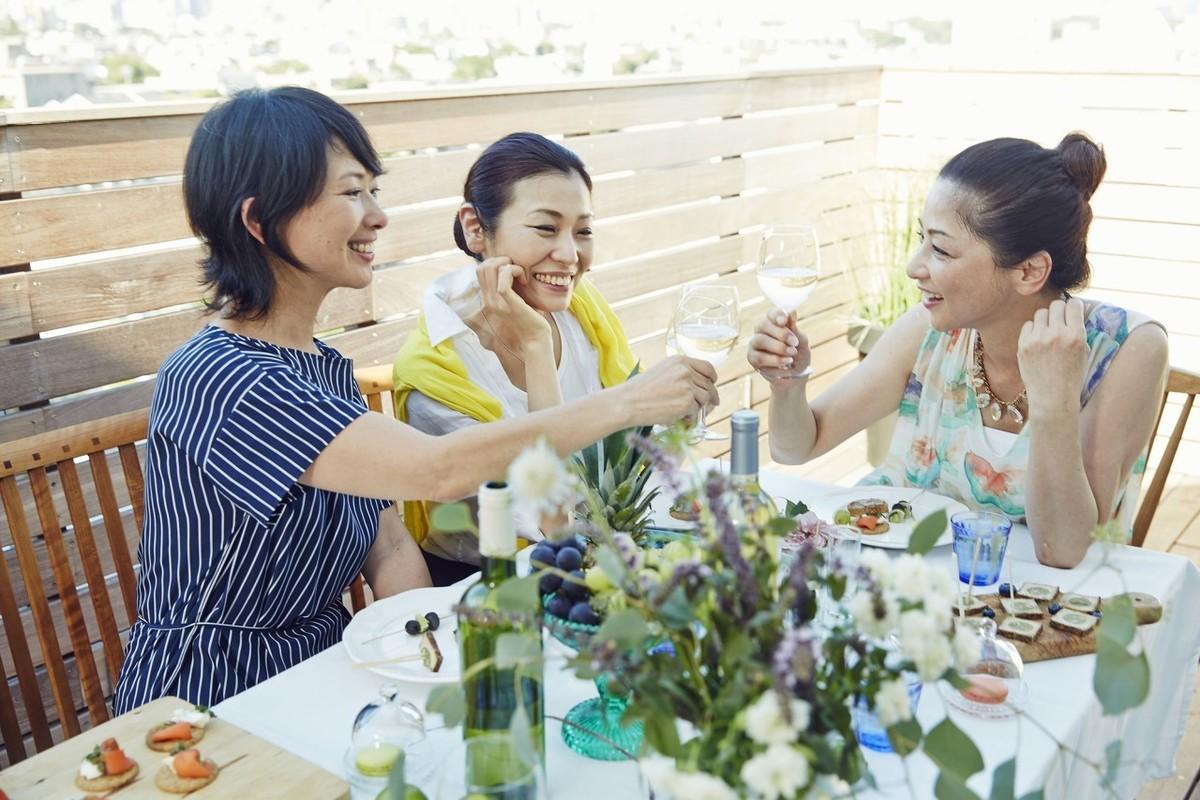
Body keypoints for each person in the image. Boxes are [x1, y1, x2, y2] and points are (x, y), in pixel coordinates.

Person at [113, 88, 718, 711]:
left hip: (330, 676)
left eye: (375, 190)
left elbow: (390, 544)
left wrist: (431, 660)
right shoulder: (224, 377)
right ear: (259, 219)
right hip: (210, 696)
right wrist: (629, 403)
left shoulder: (318, 367)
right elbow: (439, 468)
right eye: (352, 192)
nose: (377, 215)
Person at [748, 132, 1168, 569]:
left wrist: (1054, 400)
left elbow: (1061, 549)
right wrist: (787, 384)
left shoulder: (1128, 350)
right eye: (921, 239)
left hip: (1037, 610)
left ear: (1029, 271)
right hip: (896, 582)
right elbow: (798, 447)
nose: (914, 266)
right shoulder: (931, 330)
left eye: (941, 249)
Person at [393, 132, 635, 583]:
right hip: (486, 588)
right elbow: (552, 521)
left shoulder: (584, 311)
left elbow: (634, 450)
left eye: (583, 231)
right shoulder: (436, 376)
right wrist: (537, 348)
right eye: (546, 227)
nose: (569, 255)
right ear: (475, 228)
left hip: (594, 555)